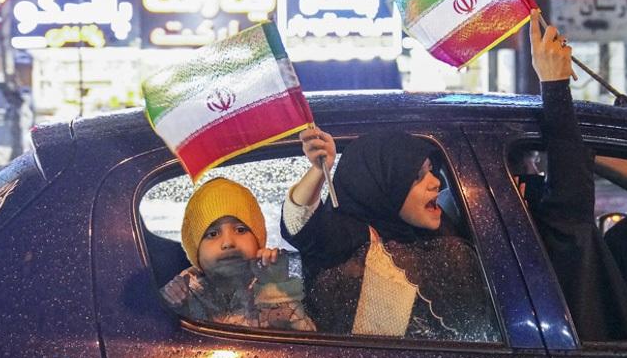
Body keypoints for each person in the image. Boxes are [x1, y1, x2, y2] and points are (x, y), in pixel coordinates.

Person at [281, 127, 496, 341]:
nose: (435, 182)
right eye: (417, 176)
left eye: (432, 170)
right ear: (380, 184)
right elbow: (301, 227)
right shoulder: (355, 237)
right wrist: (319, 171)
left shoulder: (439, 229)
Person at [518, 13, 627, 343]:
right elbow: (569, 198)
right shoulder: (547, 235)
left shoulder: (516, 239)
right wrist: (555, 87)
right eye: (531, 166)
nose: (537, 173)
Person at [160, 177, 313, 331]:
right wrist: (171, 302)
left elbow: (305, 340)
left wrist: (276, 289)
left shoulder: (276, 278)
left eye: (240, 230)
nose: (228, 242)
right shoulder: (185, 291)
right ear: (195, 251)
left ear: (258, 239)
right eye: (212, 234)